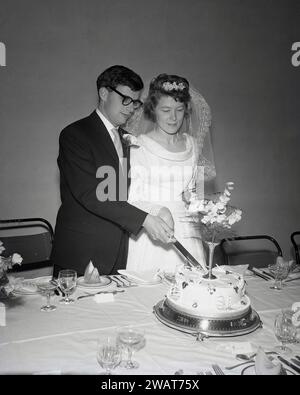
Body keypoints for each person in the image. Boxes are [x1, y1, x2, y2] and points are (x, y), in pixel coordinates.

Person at [51, 65, 174, 277]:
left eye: (135, 102)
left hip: (118, 250)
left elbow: (127, 193)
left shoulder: (127, 138)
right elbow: (91, 194)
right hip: (82, 250)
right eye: (125, 99)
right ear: (104, 93)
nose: (131, 108)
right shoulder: (75, 135)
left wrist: (158, 209)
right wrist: (144, 219)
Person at [125, 73, 216, 273]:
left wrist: (209, 211)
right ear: (153, 110)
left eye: (179, 110)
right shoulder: (139, 145)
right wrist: (160, 211)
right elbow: (133, 199)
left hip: (187, 228)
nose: (173, 117)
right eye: (166, 110)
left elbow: (195, 192)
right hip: (154, 228)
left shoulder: (192, 144)